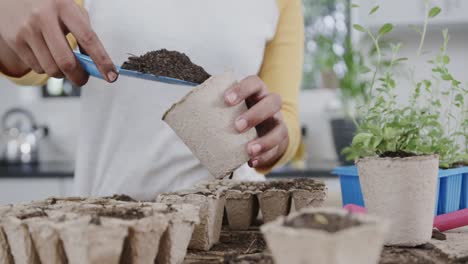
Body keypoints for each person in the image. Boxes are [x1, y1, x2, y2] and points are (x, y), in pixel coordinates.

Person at [0, 0, 304, 200]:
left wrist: (271, 138)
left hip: (230, 223)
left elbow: (283, 117)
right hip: (110, 223)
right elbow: (27, 64)